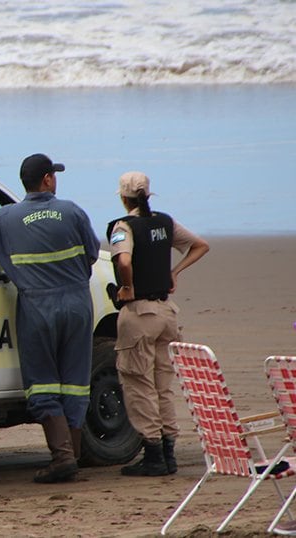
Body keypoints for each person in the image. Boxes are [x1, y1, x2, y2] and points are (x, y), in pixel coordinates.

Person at [0, 153, 100, 483]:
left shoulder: (6, 218)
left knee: (42, 381)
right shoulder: (72, 211)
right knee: (75, 382)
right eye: (53, 175)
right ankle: (69, 454)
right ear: (47, 180)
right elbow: (92, 253)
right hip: (77, 303)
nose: (55, 179)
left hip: (37, 307)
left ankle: (62, 458)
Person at [107, 171, 209, 476]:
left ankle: (152, 453)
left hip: (139, 313)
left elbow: (123, 261)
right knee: (163, 385)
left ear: (124, 198)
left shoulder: (123, 227)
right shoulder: (165, 223)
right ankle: (168, 451)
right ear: (149, 195)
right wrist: (174, 272)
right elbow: (200, 245)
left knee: (138, 383)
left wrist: (127, 286)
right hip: (167, 312)